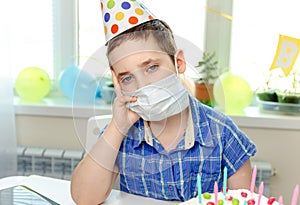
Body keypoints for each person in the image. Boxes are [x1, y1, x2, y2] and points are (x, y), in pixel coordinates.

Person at [71, 1, 257, 204]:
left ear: (178, 63)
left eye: (152, 67)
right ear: (117, 84)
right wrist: (118, 127)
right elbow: (84, 199)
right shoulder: (121, 134)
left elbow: (244, 198)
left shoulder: (222, 133)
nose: (144, 85)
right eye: (127, 78)